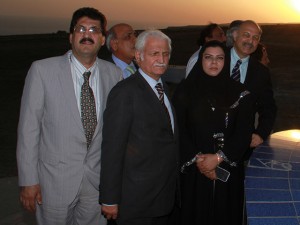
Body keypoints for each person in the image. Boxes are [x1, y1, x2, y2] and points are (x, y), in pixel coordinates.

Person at [16, 7, 122, 225]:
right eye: (81, 28)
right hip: (53, 183)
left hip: (96, 182)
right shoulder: (42, 70)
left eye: (94, 30)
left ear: (102, 39)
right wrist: (28, 180)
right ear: (71, 37)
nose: (87, 34)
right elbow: (28, 129)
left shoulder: (114, 74)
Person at [100, 29, 179, 225]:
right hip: (136, 200)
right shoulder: (125, 92)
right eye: (154, 54)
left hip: (163, 197)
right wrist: (109, 198)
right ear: (138, 56)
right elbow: (112, 148)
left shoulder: (162, 87)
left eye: (165, 54)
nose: (161, 59)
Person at [172, 40, 254, 225]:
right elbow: (178, 128)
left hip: (227, 170)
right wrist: (200, 160)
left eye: (219, 58)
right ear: (201, 60)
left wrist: (218, 159)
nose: (214, 63)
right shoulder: (185, 90)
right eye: (208, 58)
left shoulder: (241, 93)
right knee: (195, 213)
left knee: (224, 214)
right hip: (194, 171)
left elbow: (243, 132)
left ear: (226, 62)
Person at [227, 20, 276, 156]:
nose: (250, 41)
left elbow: (269, 107)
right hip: (208, 144)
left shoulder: (261, 72)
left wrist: (260, 133)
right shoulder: (215, 58)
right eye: (246, 35)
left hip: (242, 147)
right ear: (235, 35)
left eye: (255, 38)